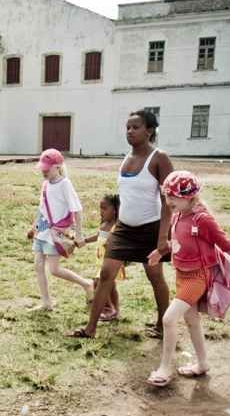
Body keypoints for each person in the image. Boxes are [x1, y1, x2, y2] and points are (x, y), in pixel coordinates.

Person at [146, 171, 230, 387]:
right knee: (191, 321)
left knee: (169, 319)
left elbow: (227, 244)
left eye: (173, 197)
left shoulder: (203, 220)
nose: (168, 200)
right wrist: (159, 252)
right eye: (167, 196)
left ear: (190, 197)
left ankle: (165, 368)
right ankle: (202, 364)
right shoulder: (178, 215)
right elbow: (178, 241)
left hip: (198, 277)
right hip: (181, 275)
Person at [69, 110, 173, 339]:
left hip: (151, 228)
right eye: (127, 127)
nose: (130, 131)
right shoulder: (126, 157)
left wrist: (163, 236)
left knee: (155, 277)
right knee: (106, 274)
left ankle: (162, 326)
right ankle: (90, 329)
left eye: (136, 127)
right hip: (124, 229)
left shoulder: (159, 158)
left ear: (149, 130)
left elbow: (169, 202)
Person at [26, 148, 91, 311]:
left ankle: (87, 284)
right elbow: (42, 209)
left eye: (47, 168)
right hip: (43, 231)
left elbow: (77, 209)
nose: (44, 171)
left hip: (56, 233)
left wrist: (79, 233)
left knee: (54, 270)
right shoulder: (45, 185)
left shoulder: (65, 184)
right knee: (38, 265)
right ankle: (46, 302)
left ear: (57, 167)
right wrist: (34, 228)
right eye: (42, 168)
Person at [84, 194, 124, 322]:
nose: (101, 211)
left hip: (112, 261)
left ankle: (108, 309)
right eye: (100, 208)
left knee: (98, 282)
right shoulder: (104, 224)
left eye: (104, 208)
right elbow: (97, 236)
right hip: (101, 261)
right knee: (111, 287)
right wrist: (84, 240)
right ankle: (116, 311)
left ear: (115, 210)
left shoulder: (117, 226)